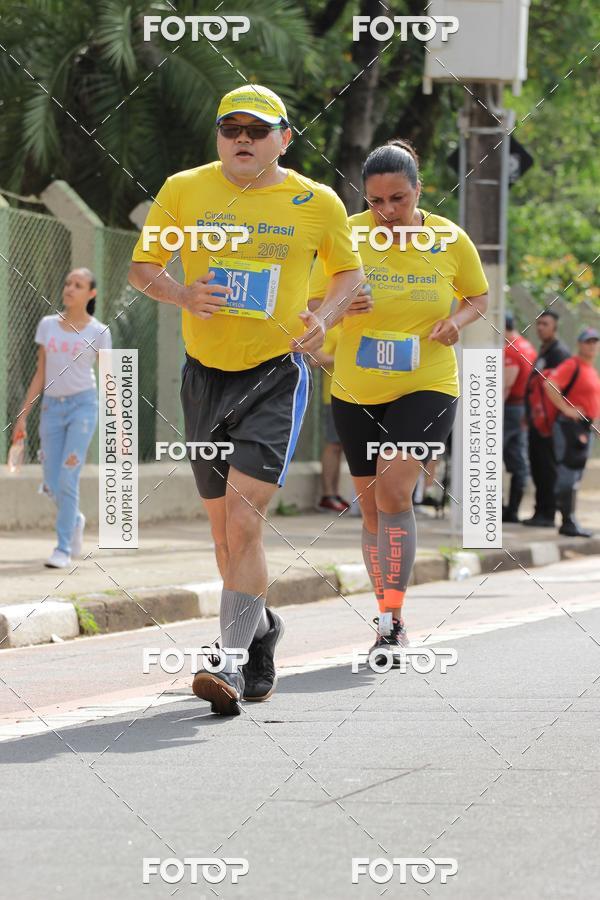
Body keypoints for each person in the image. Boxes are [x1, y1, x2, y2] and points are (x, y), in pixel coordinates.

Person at [128, 85, 363, 715]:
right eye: (231, 128)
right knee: (222, 535)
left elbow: (350, 274)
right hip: (204, 375)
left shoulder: (317, 202)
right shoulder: (184, 189)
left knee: (243, 521)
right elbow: (142, 266)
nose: (242, 140)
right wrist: (181, 295)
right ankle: (260, 634)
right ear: (218, 138)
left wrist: (326, 316)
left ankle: (226, 665)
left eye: (257, 131)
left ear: (283, 139)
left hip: (274, 375)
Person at [308, 139, 488, 663]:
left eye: (399, 200)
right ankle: (386, 612)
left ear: (419, 190)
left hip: (425, 381)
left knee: (393, 490)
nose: (387, 212)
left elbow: (477, 296)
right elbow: (315, 303)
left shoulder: (449, 239)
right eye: (376, 201)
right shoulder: (346, 236)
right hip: (355, 387)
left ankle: (392, 622)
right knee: (370, 512)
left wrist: (455, 322)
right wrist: (342, 306)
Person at [12, 268, 112, 567]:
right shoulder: (47, 326)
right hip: (51, 409)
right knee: (51, 484)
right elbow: (40, 373)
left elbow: (108, 379)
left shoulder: (99, 332)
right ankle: (75, 518)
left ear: (91, 294)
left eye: (78, 285)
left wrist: (117, 425)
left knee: (68, 477)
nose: (70, 288)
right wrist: (22, 417)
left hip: (83, 408)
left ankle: (63, 548)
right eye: (68, 283)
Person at [544, 328, 600, 537]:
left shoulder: (591, 369)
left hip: (585, 429)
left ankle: (570, 520)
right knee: (568, 473)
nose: (592, 345)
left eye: (595, 341)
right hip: (569, 428)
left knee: (576, 474)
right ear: (580, 344)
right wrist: (567, 408)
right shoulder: (572, 364)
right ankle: (567, 521)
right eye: (588, 342)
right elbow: (550, 384)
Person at [523, 309, 571, 526]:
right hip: (536, 420)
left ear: (555, 327)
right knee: (538, 466)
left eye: (545, 324)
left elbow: (556, 390)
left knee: (547, 468)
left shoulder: (559, 353)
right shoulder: (544, 351)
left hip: (549, 423)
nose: (541, 328)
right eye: (538, 324)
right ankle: (540, 511)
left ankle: (548, 513)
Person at [308, 322, 351, 512]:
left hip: (360, 396)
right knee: (334, 445)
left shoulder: (355, 326)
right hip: (335, 395)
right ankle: (327, 495)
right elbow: (315, 359)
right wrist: (347, 357)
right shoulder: (332, 328)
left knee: (343, 447)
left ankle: (335, 493)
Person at [503, 311, 536, 522]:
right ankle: (513, 510)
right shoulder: (527, 346)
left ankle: (497, 508)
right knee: (518, 460)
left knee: (489, 455)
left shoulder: (511, 349)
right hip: (524, 408)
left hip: (509, 409)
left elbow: (506, 385)